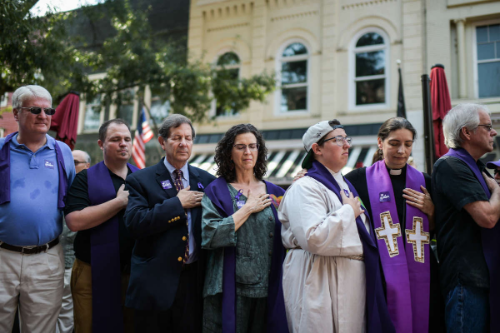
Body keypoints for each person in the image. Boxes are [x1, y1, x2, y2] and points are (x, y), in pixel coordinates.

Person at [279, 120, 394, 332]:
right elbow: (313, 237)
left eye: (346, 139)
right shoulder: (305, 187)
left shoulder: (345, 187)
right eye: (338, 140)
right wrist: (348, 211)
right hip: (318, 275)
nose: (347, 145)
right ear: (317, 148)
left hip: (351, 277)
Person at [345, 117, 444, 333]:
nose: (401, 151)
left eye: (407, 144)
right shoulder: (356, 180)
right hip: (377, 275)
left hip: (423, 275)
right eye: (394, 143)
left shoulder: (426, 182)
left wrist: (432, 211)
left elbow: (440, 230)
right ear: (380, 143)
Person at [124, 114, 216, 333]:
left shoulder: (207, 180)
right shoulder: (140, 180)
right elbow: (135, 223)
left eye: (188, 138)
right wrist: (177, 204)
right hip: (155, 285)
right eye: (176, 138)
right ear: (162, 142)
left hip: (194, 281)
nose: (183, 143)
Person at [0, 85, 76, 332]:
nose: (43, 116)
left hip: (46, 258)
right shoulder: (0, 149)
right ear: (16, 113)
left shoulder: (62, 152)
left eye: (48, 110)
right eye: (35, 109)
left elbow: (74, 205)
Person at [201, 124, 288, 333]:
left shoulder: (276, 193)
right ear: (229, 153)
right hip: (229, 289)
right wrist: (248, 208)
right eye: (240, 147)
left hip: (270, 287)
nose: (247, 152)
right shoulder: (217, 191)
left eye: (252, 146)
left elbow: (291, 234)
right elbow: (209, 235)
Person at [65, 119, 138, 333]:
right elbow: (74, 221)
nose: (123, 144)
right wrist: (118, 203)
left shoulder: (142, 178)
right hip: (91, 272)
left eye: (127, 139)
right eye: (115, 139)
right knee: (88, 327)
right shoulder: (85, 178)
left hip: (133, 274)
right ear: (101, 144)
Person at [433, 103, 500, 332]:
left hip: (485, 279)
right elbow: (488, 217)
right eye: (488, 127)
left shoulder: (477, 167)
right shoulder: (451, 165)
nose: (494, 132)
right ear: (467, 132)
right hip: (466, 283)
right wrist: (499, 190)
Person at [56, 150, 91, 333]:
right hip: (48, 262)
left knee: (66, 314)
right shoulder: (59, 186)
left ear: (87, 166)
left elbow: (74, 229)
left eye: (75, 162)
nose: (69, 165)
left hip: (72, 263)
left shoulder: (89, 190)